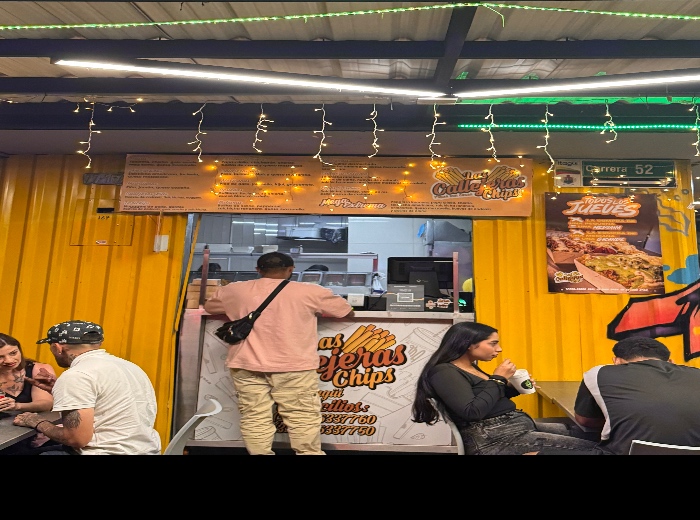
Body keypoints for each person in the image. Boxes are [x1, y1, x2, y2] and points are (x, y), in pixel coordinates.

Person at [204, 251, 353, 455]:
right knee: (302, 417)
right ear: (291, 270)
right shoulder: (310, 291)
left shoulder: (234, 290)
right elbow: (345, 311)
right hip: (294, 366)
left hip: (246, 364)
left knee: (254, 416)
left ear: (258, 270)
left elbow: (210, 307)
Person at [411, 321, 599, 455]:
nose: (499, 349)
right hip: (494, 440)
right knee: (597, 451)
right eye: (493, 343)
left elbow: (486, 400)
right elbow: (472, 411)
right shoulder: (444, 372)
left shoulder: (470, 367)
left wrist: (513, 388)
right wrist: (498, 378)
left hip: (513, 429)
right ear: (468, 345)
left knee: (594, 435)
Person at [13, 320, 162, 455]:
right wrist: (58, 390)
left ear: (57, 347)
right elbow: (108, 402)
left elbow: (76, 439)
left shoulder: (76, 375)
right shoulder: (130, 367)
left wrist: (36, 421)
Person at [574, 336, 700, 455]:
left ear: (617, 361)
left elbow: (585, 420)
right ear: (671, 362)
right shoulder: (696, 373)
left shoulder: (599, 373)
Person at [0, 333, 61, 454]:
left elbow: (46, 403)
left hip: (32, 433)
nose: (9, 360)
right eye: (0, 357)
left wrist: (17, 406)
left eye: (13, 353)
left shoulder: (38, 369)